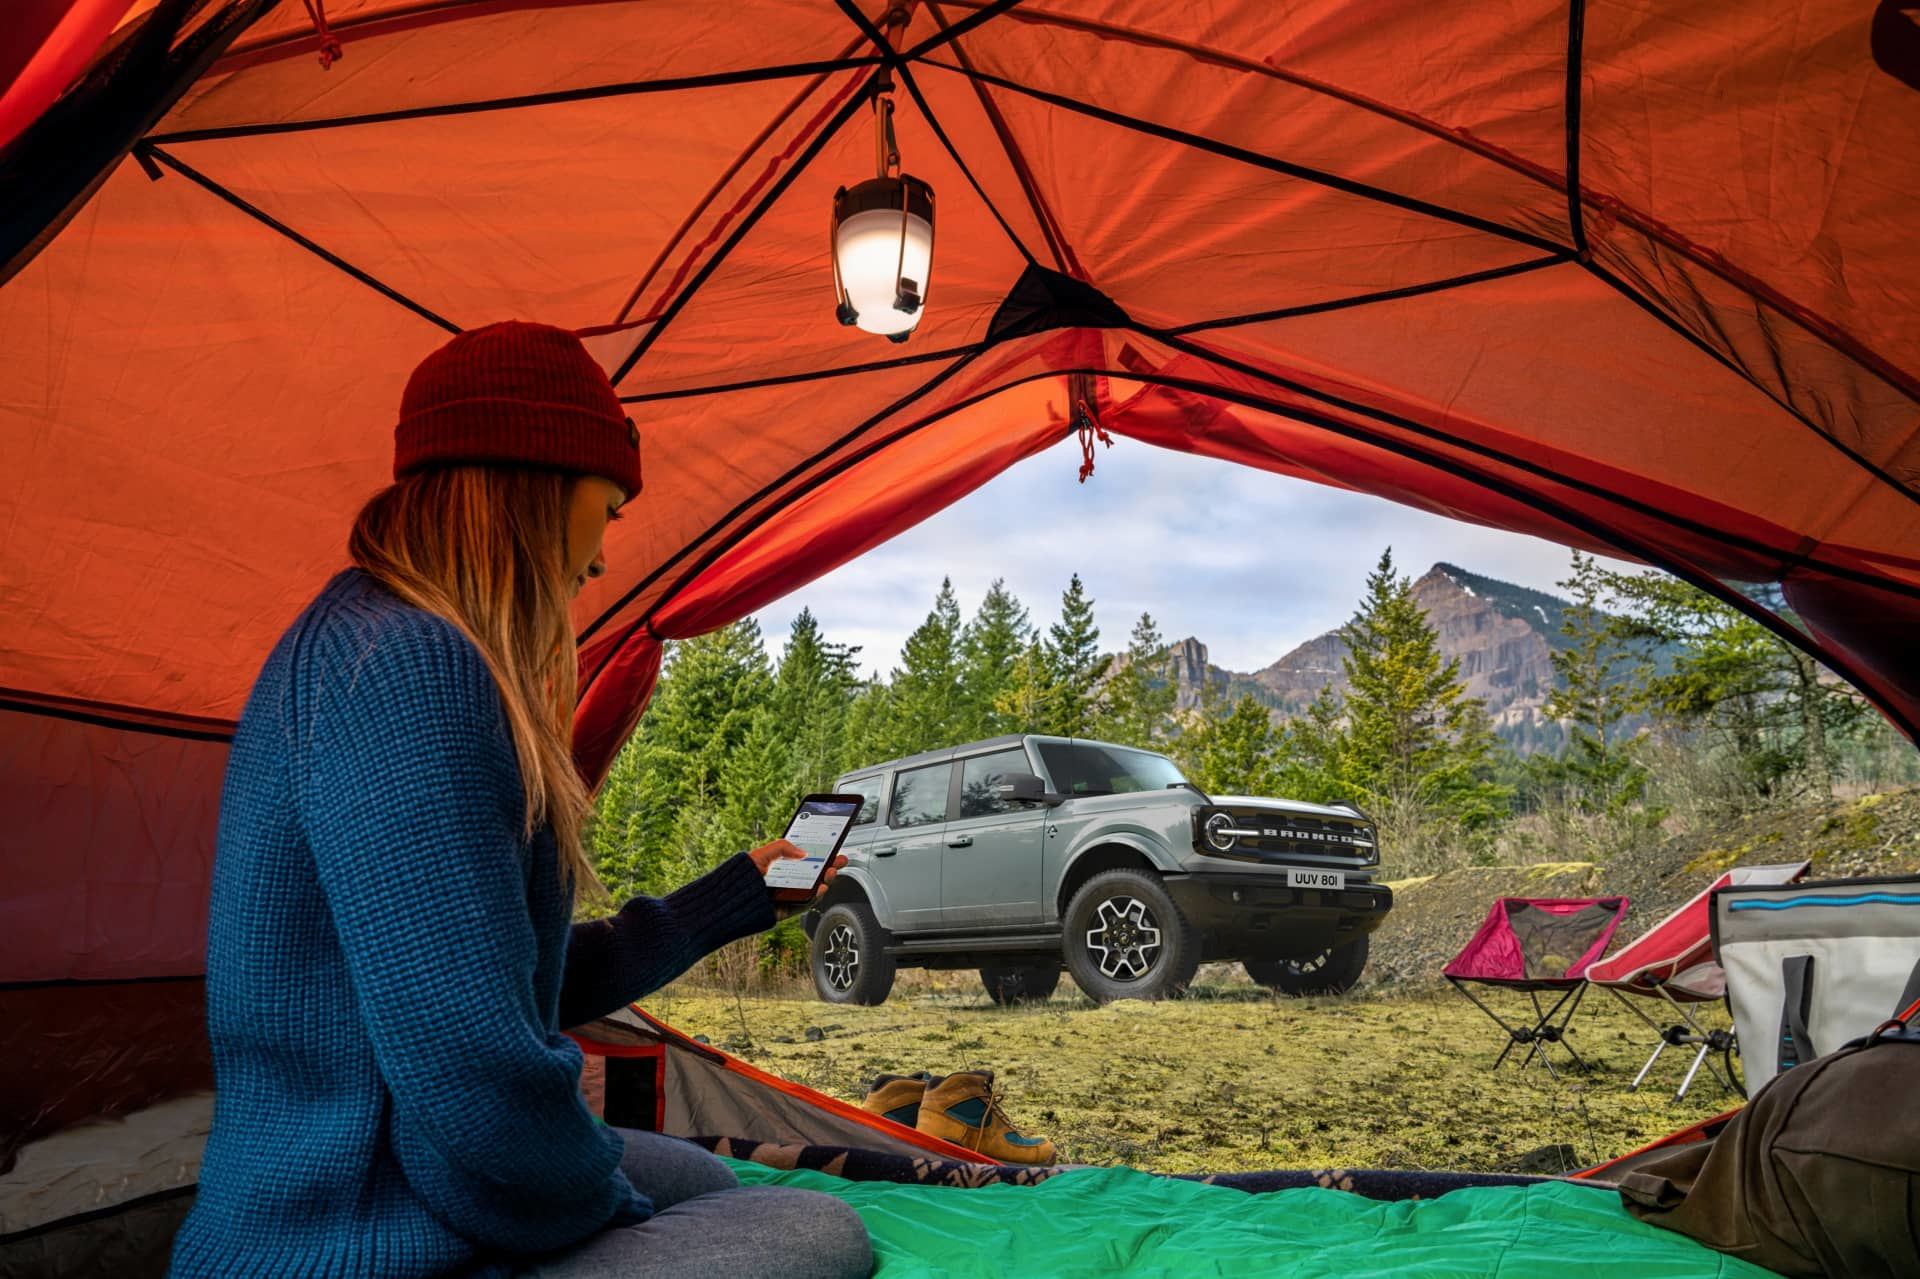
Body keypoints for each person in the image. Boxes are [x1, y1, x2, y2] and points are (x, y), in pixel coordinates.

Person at [167, 322, 874, 1279]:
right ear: (540, 480)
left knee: (700, 1181)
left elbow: (492, 981)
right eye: (611, 510)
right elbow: (479, 1092)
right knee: (816, 1230)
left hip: (342, 1190)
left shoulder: (356, 638)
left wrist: (732, 897)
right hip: (361, 1238)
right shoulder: (413, 670)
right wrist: (610, 1212)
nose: (602, 558)